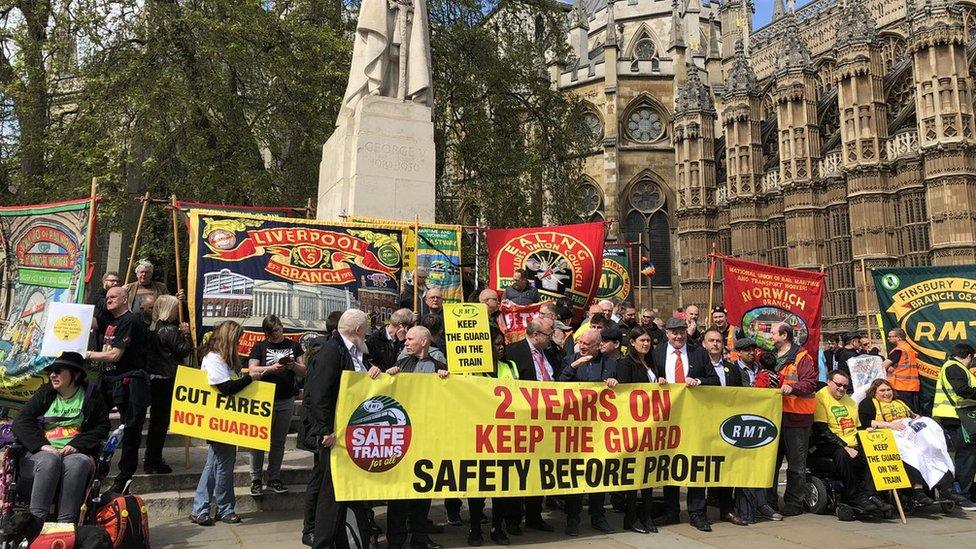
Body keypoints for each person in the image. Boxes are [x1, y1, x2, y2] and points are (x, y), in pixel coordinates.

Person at [190, 321, 277, 526]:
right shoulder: (213, 359)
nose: (239, 343)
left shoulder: (223, 359)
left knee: (215, 464)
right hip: (218, 419)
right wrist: (250, 378)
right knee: (223, 466)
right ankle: (224, 508)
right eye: (237, 339)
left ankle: (201, 508)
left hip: (226, 419)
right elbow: (225, 387)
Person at [11, 351, 110, 524]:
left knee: (77, 463)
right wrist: (43, 446)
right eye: (51, 371)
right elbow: (21, 422)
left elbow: (102, 426)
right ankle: (36, 523)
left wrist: (76, 445)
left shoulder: (91, 395)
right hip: (41, 454)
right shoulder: (45, 393)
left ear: (76, 374)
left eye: (59, 370)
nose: (53, 375)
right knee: (50, 460)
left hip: (74, 452)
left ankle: (66, 525)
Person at [303, 309, 371, 547]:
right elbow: (318, 394)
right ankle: (323, 542)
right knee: (331, 495)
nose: (368, 333)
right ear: (359, 330)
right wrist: (324, 431)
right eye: (367, 329)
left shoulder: (354, 352)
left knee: (343, 494)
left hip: (350, 434)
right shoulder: (332, 352)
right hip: (333, 436)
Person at [380, 325, 446, 549]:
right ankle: (396, 540)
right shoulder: (400, 365)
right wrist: (385, 377)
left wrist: (447, 380)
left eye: (410, 339)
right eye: (405, 339)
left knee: (423, 489)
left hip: (426, 437)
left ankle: (420, 536)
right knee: (398, 493)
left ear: (424, 342)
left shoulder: (439, 367)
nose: (405, 342)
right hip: (402, 436)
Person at [651, 317, 719, 531]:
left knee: (695, 464)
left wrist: (698, 382)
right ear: (667, 334)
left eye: (681, 332)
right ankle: (671, 511)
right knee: (670, 464)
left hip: (694, 418)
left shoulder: (699, 353)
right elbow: (647, 379)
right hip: (668, 418)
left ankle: (697, 513)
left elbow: (714, 380)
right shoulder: (657, 352)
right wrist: (656, 382)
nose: (678, 336)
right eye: (674, 332)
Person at [858, 378, 963, 507]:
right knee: (914, 454)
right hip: (891, 434)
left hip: (911, 432)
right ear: (874, 392)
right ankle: (918, 490)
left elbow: (913, 414)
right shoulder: (868, 403)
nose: (886, 393)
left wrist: (916, 418)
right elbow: (866, 422)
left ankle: (945, 488)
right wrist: (890, 425)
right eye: (882, 390)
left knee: (932, 449)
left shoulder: (900, 401)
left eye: (888, 389)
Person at [85, 286, 148, 493]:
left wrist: (86, 354)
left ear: (124, 299)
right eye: (107, 297)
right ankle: (91, 465)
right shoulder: (108, 319)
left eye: (113, 297)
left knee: (129, 429)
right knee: (91, 418)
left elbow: (114, 355)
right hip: (108, 379)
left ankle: (124, 477)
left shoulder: (130, 321)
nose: (109, 300)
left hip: (128, 381)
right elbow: (87, 323)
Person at [557, 328, 618, 536]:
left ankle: (597, 516)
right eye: (580, 342)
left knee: (598, 472)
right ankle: (572, 518)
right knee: (576, 474)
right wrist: (574, 366)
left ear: (599, 346)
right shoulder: (569, 360)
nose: (582, 346)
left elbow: (622, 391)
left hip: (600, 428)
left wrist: (614, 384)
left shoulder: (610, 363)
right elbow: (558, 387)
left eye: (587, 344)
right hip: (576, 427)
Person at [812, 370, 891, 513]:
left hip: (852, 442)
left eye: (845, 386)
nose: (842, 389)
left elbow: (858, 427)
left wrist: (867, 436)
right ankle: (854, 495)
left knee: (873, 452)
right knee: (843, 454)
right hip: (827, 444)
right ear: (829, 382)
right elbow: (822, 430)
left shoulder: (850, 402)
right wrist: (845, 446)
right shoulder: (820, 398)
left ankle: (870, 494)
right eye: (838, 385)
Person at [248, 315, 306, 497]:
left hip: (285, 398)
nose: (276, 335)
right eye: (272, 333)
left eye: (278, 330)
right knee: (258, 441)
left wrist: (292, 366)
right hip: (264, 398)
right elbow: (252, 370)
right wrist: (270, 369)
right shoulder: (260, 347)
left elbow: (304, 371)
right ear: (267, 333)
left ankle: (274, 477)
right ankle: (256, 478)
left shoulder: (293, 345)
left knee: (279, 441)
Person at [701, 329, 748, 526]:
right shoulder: (697, 368)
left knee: (727, 467)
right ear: (704, 344)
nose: (715, 344)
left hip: (727, 424)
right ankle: (700, 510)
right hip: (703, 423)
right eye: (711, 340)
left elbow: (740, 395)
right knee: (703, 469)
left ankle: (727, 509)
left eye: (718, 341)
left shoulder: (732, 368)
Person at [614, 326, 657, 534]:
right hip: (633, 427)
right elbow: (625, 394)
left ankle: (646, 516)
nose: (646, 344)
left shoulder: (651, 363)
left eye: (648, 340)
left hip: (651, 427)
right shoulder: (625, 363)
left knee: (649, 474)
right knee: (633, 475)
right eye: (642, 340)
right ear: (632, 342)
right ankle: (630, 519)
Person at [143, 294, 192, 474]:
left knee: (156, 422)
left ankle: (151, 456)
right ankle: (154, 459)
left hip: (154, 377)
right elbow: (183, 350)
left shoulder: (151, 328)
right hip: (167, 378)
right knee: (160, 423)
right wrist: (186, 334)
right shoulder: (170, 330)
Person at [932, 343, 976, 510]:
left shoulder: (953, 367)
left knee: (967, 454)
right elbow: (962, 390)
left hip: (960, 416)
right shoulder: (954, 367)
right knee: (966, 455)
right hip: (956, 417)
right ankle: (961, 495)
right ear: (969, 356)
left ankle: (965, 491)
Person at [882, 328, 921, 414]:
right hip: (910, 385)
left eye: (890, 337)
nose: (888, 338)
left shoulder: (899, 350)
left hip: (900, 385)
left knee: (905, 411)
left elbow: (883, 366)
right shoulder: (908, 348)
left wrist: (886, 367)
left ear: (898, 338)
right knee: (911, 410)